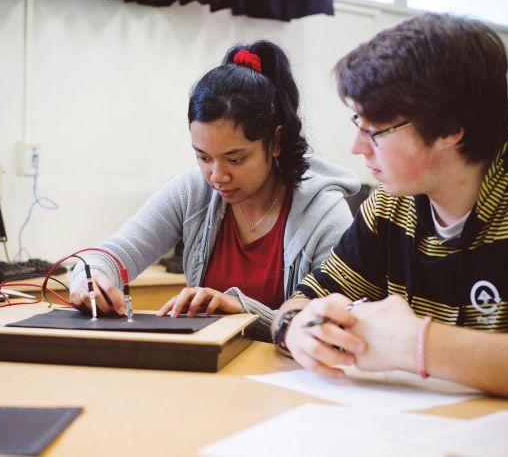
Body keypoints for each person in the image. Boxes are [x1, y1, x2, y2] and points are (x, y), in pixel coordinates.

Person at [272, 13, 508, 399]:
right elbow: (302, 300)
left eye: (375, 129)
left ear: (450, 129)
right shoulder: (390, 205)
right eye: (357, 122)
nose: (357, 146)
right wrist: (296, 328)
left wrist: (416, 345)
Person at [70, 40, 359, 341]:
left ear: (275, 142)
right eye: (203, 157)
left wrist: (245, 311)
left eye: (235, 159)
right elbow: (111, 256)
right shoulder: (193, 191)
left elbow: (330, 328)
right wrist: (89, 280)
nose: (217, 176)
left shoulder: (324, 213)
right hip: (211, 374)